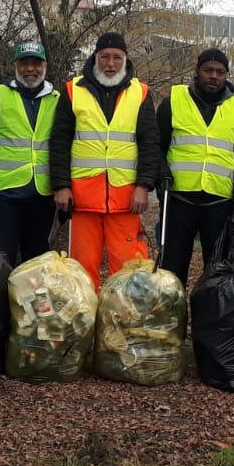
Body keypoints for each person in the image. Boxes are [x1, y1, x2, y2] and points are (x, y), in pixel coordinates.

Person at [48, 32, 160, 289]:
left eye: (117, 58)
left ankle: (122, 325)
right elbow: (59, 142)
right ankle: (86, 323)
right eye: (105, 57)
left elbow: (149, 143)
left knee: (130, 273)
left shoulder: (141, 93)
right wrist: (61, 185)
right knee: (81, 272)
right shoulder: (72, 90)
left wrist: (143, 186)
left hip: (126, 200)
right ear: (96, 57)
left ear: (125, 59)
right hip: (82, 199)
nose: (110, 64)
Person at [156, 48, 234, 285]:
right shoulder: (173, 102)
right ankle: (172, 319)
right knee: (172, 269)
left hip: (219, 202)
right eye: (208, 70)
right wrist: (161, 176)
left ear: (226, 75)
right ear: (197, 71)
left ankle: (213, 320)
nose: (213, 76)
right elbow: (155, 147)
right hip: (180, 199)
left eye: (220, 72)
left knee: (218, 271)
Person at [0, 41, 58, 266]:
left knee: (36, 266)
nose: (30, 69)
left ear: (44, 65)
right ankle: (0, 303)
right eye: (24, 63)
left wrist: (66, 187)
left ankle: (29, 303)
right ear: (15, 65)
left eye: (35, 63)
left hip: (43, 195)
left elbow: (65, 147)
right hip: (6, 195)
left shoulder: (57, 99)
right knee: (0, 261)